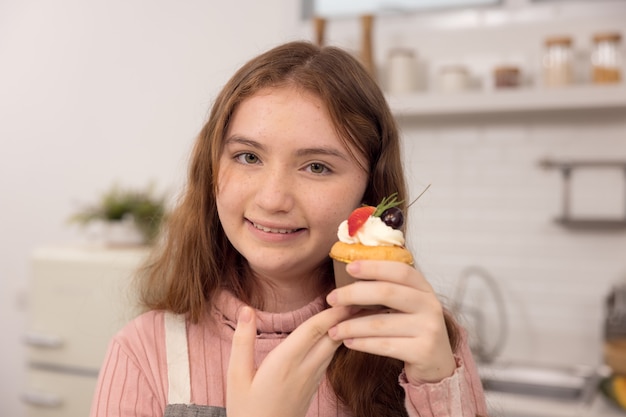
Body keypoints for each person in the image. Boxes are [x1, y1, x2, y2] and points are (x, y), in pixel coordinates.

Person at [89, 40, 487, 417]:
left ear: (369, 192)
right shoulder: (143, 351)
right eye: (248, 157)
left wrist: (440, 388)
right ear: (212, 170)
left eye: (317, 166)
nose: (273, 199)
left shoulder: (423, 343)